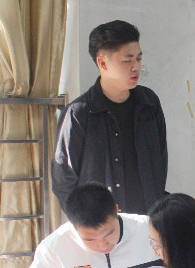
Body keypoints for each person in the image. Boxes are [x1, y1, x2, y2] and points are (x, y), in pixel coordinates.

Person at [52, 20, 167, 215]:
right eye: (127, 61)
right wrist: (89, 223)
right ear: (102, 63)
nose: (136, 67)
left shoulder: (149, 102)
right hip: (102, 223)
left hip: (147, 218)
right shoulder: (78, 113)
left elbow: (160, 162)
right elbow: (64, 181)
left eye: (139, 59)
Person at [20, 183, 160, 268]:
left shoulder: (152, 230)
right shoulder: (55, 246)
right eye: (90, 240)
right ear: (73, 225)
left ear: (116, 210)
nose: (102, 245)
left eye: (109, 234)